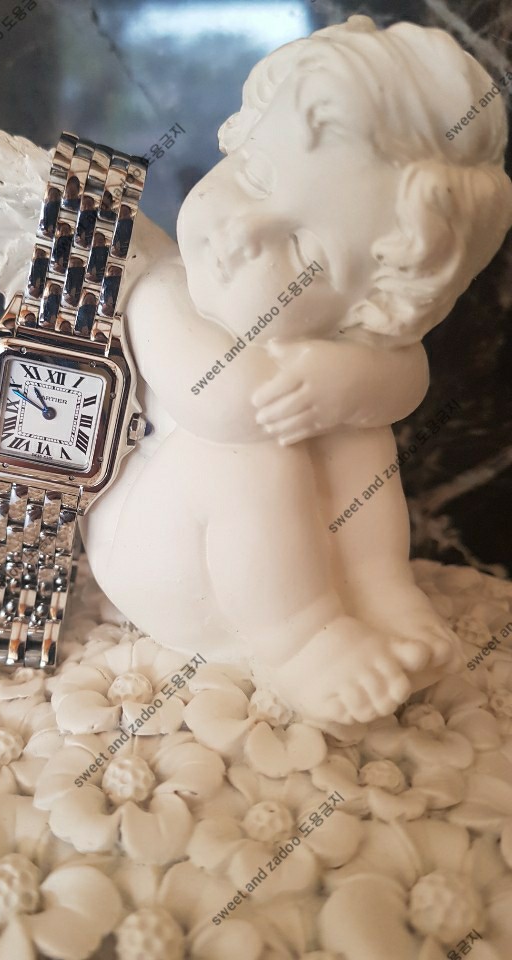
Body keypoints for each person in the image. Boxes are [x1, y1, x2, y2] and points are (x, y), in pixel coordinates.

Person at [85, 15, 512, 727]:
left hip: (274, 544)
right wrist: (329, 381)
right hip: (161, 562)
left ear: (374, 303)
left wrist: (344, 385)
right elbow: (227, 406)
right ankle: (302, 640)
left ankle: (377, 591)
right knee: (246, 456)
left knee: (359, 433)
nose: (241, 233)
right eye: (254, 174)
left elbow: (405, 381)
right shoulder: (160, 287)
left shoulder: (345, 338)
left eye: (307, 251)